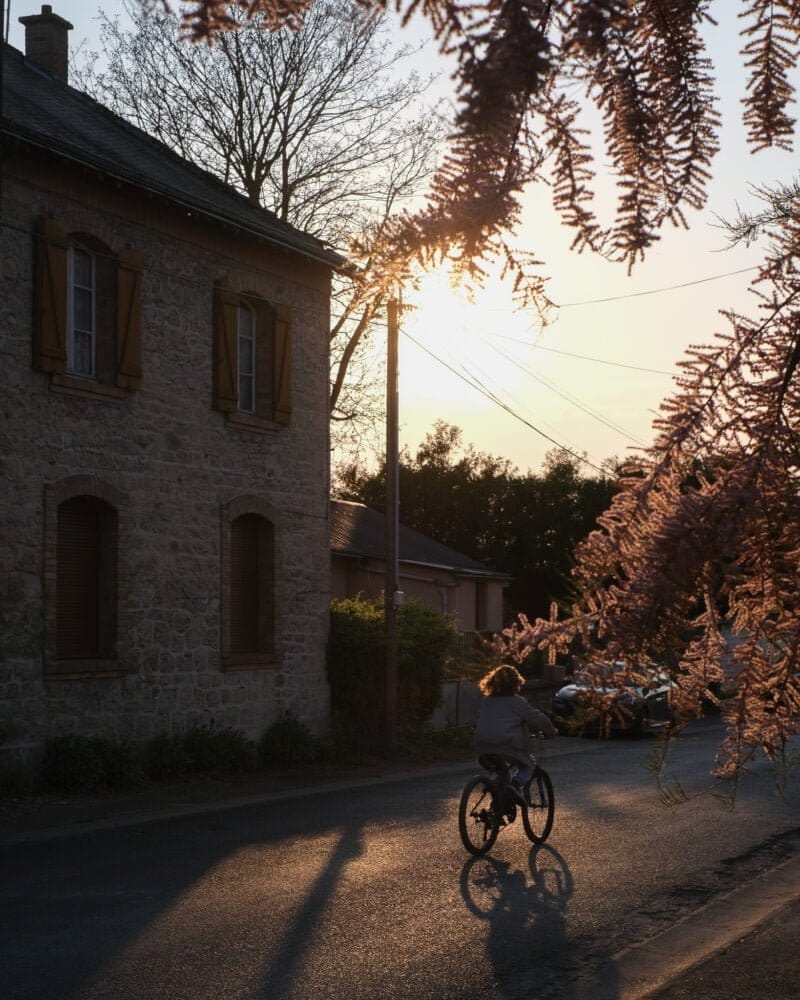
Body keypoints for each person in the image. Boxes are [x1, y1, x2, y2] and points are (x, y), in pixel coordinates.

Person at [474, 663, 557, 805]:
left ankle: (496, 809)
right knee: (529, 764)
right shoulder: (517, 702)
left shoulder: (487, 701)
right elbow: (538, 719)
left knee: (503, 776)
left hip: (483, 748)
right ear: (516, 683)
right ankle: (516, 785)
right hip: (507, 746)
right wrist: (551, 731)